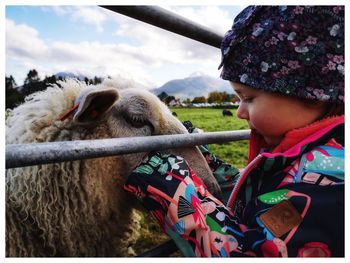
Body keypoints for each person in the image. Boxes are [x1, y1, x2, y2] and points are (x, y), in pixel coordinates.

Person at [124, 6, 344, 257]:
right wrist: (204, 161)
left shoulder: (331, 185)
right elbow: (262, 197)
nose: (239, 111)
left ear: (311, 93)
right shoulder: (309, 152)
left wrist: (168, 186)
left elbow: (248, 254)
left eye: (248, 98)